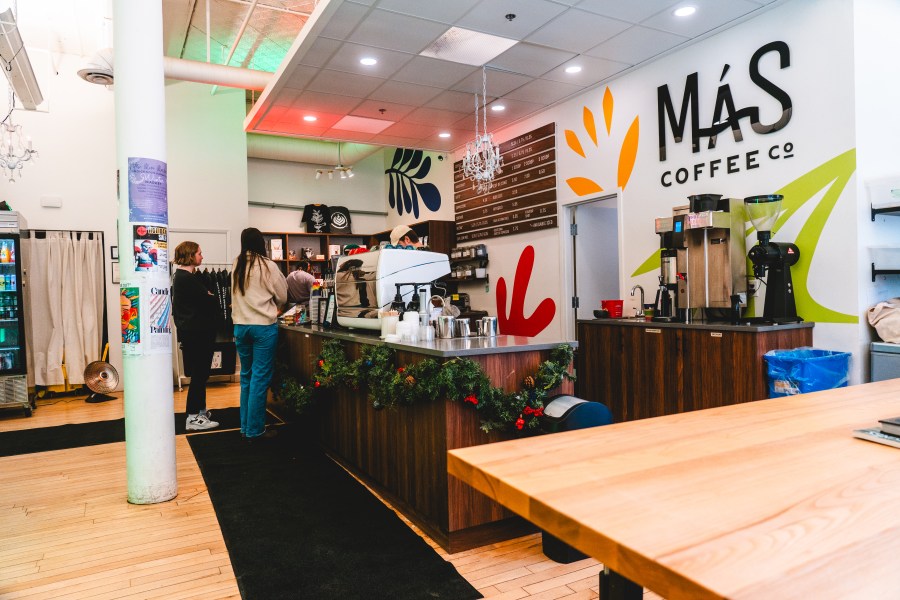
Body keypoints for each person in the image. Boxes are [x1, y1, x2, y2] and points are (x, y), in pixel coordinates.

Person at [232, 227, 288, 442]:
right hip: (263, 326)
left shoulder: (237, 264)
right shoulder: (267, 265)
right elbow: (282, 296)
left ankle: (245, 427)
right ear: (261, 243)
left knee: (246, 376)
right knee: (260, 378)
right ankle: (255, 431)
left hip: (241, 326)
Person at [171, 241, 220, 431]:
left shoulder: (184, 277)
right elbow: (211, 302)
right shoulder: (186, 278)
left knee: (201, 374)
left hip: (195, 333)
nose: (202, 256)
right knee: (200, 375)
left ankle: (200, 411)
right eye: (199, 253)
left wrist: (208, 296)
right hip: (197, 334)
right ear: (190, 255)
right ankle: (192, 417)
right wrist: (210, 297)